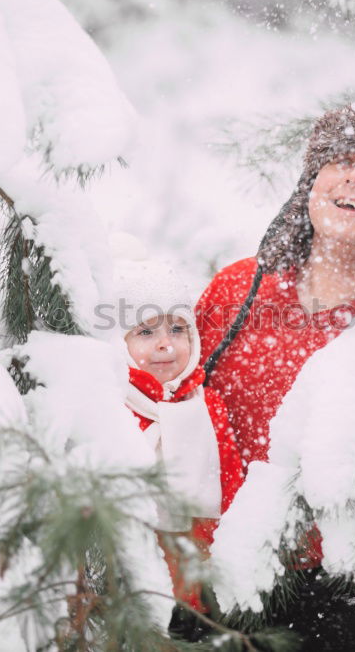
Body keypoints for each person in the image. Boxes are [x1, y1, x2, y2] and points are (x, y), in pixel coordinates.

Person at [194, 103, 355, 651]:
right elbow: (181, 407)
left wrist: (287, 536)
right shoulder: (238, 289)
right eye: (341, 161)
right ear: (311, 183)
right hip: (220, 554)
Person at [111, 253, 244, 614]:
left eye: (177, 329)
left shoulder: (207, 405)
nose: (165, 344)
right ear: (117, 343)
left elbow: (230, 484)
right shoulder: (112, 408)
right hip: (131, 594)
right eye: (145, 331)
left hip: (199, 587)